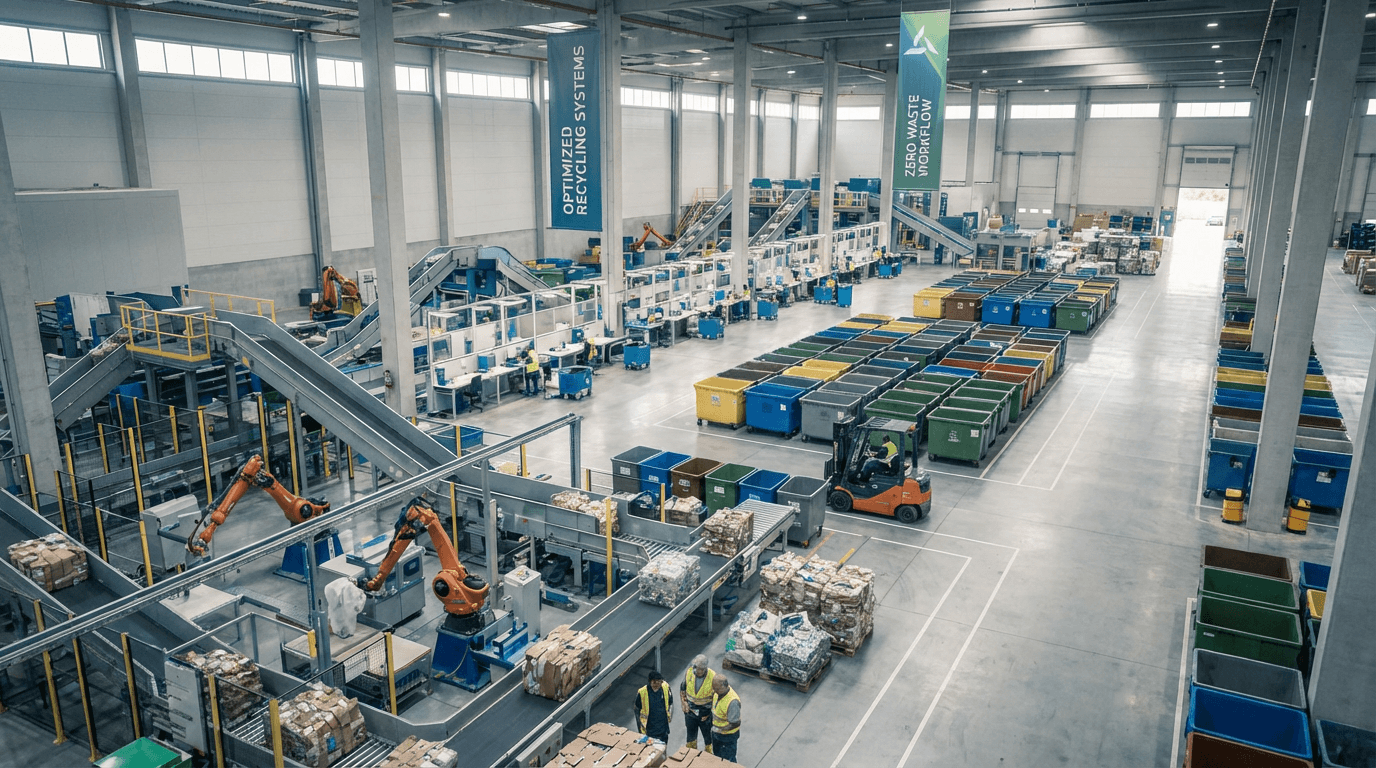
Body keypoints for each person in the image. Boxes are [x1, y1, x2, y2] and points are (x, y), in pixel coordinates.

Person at [680, 655, 716, 752]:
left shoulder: (713, 677)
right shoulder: (690, 672)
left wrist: (710, 714)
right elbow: (682, 687)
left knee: (708, 736)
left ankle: (709, 753)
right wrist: (684, 702)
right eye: (694, 667)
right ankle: (691, 752)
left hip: (705, 713)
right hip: (690, 711)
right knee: (691, 735)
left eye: (698, 668)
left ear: (704, 669)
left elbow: (717, 699)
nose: (695, 670)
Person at [632, 671, 673, 744]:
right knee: (651, 748)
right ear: (650, 682)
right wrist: (640, 727)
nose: (657, 685)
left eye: (659, 682)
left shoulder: (665, 687)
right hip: (649, 730)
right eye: (654, 682)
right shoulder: (642, 692)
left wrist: (669, 717)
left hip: (663, 729)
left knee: (663, 746)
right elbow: (637, 710)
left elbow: (670, 702)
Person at [710, 675, 741, 762]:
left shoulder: (733, 702)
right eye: (714, 688)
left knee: (728, 760)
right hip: (717, 733)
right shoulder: (718, 693)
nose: (714, 691)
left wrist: (720, 729)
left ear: (723, 686)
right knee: (717, 757)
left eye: (716, 689)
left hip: (727, 737)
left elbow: (735, 723)